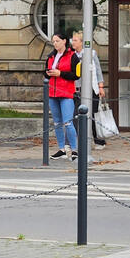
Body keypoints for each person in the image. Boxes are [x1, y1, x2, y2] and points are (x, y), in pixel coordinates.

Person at [43, 32, 81, 161]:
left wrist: (60, 73)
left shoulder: (72, 56)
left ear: (64, 41)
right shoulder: (51, 56)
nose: (55, 43)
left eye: (57, 41)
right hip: (53, 93)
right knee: (57, 123)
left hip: (66, 92)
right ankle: (62, 149)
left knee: (68, 122)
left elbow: (76, 75)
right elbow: (46, 73)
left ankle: (75, 149)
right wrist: (49, 73)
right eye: (53, 41)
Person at [70, 30, 107, 150]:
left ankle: (99, 141)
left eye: (75, 40)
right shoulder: (71, 55)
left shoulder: (91, 54)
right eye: (72, 40)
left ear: (82, 42)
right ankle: (79, 140)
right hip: (76, 88)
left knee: (93, 114)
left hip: (91, 88)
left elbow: (98, 71)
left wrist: (101, 86)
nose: (72, 42)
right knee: (76, 114)